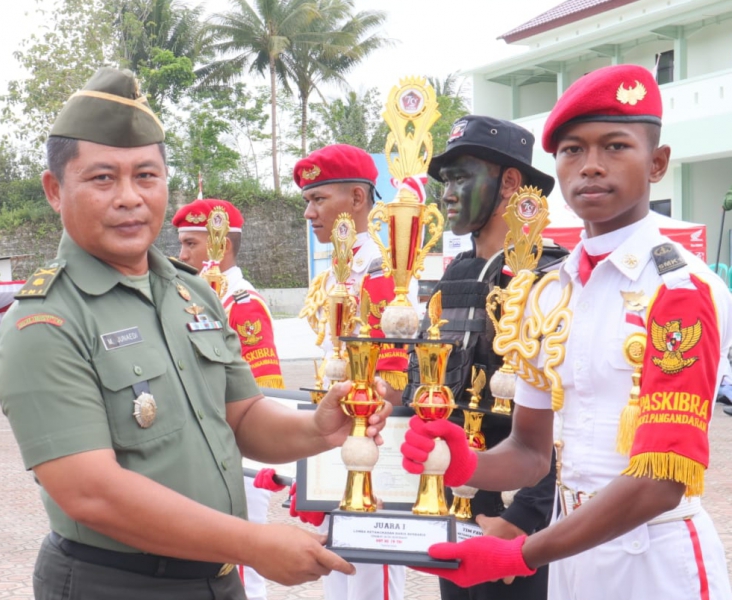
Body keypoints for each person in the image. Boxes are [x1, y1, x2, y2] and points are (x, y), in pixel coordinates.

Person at [0, 67, 391, 600]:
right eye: (103, 178)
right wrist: (253, 543)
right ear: (55, 191)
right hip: (115, 586)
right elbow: (91, 493)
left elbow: (242, 416)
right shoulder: (45, 323)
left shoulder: (192, 292)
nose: (130, 197)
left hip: (217, 580)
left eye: (146, 176)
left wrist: (319, 427)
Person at [401, 63, 732, 599]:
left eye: (616, 147)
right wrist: (464, 461)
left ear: (658, 163)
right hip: (572, 555)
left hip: (653, 559)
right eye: (573, 150)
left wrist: (519, 552)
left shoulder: (679, 290)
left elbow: (661, 482)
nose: (591, 167)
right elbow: (531, 452)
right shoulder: (549, 290)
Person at [400, 115, 565, 600]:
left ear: (510, 182)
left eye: (461, 177)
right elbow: (425, 394)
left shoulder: (551, 279)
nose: (446, 193)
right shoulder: (455, 275)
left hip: (521, 515)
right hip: (452, 501)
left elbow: (560, 417)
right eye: (444, 181)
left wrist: (522, 520)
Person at [287, 143, 415, 600]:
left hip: (372, 445)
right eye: (307, 201)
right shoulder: (337, 274)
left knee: (369, 580)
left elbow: (394, 384)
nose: (309, 214)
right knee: (341, 574)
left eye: (318, 199)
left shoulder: (382, 272)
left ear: (358, 200)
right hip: (339, 441)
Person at [172, 197, 284, 600]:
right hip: (204, 451)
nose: (181, 253)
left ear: (221, 245)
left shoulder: (242, 305)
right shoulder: (195, 300)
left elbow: (262, 390)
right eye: (182, 244)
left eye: (191, 244)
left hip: (237, 454)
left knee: (241, 568)